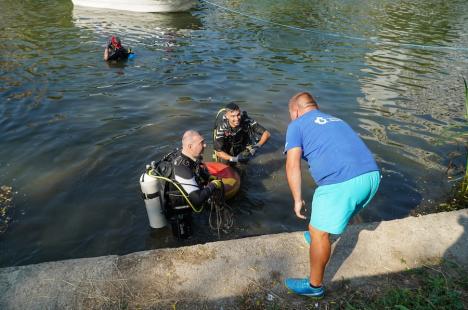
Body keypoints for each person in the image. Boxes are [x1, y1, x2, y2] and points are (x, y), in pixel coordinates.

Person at [283, 92, 380, 298]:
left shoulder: (296, 125)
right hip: (372, 177)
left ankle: (314, 286)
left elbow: (292, 165)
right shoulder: (337, 120)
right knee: (324, 225)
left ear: (296, 111)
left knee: (317, 231)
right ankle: (322, 235)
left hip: (342, 184)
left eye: (291, 114)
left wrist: (297, 199)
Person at [165, 130, 223, 239]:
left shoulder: (186, 155)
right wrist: (214, 185)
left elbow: (198, 170)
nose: (205, 145)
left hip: (187, 206)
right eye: (201, 143)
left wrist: (209, 178)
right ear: (190, 146)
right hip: (179, 214)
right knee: (186, 241)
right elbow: (197, 199)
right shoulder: (182, 168)